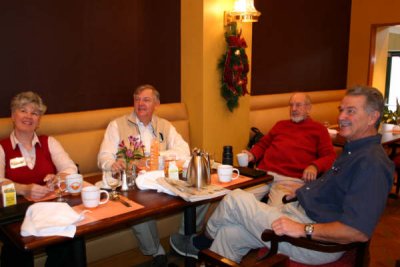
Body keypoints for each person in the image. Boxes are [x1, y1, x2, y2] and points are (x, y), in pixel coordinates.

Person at [170, 86, 394, 265]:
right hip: (295, 207)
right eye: (341, 109)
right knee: (229, 234)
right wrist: (304, 191)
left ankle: (200, 241)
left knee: (234, 199)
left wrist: (302, 229)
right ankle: (207, 246)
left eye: (351, 111)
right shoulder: (353, 150)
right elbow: (334, 189)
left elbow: (357, 232)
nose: (342, 116)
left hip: (313, 240)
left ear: (373, 116)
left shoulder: (372, 162)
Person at [98, 84, 190, 267]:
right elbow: (104, 157)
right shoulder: (117, 125)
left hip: (163, 180)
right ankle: (156, 252)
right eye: (137, 99)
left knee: (199, 191)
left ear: (157, 104)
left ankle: (182, 238)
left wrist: (157, 157)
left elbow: (184, 150)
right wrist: (112, 163)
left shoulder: (165, 125)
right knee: (138, 208)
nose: (140, 103)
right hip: (133, 184)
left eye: (146, 100)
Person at [0, 91, 82, 267]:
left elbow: (70, 168)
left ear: (39, 120)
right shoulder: (2, 147)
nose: (29, 116)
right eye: (23, 110)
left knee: (72, 236)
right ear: (13, 115)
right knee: (19, 242)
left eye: (35, 113)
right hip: (16, 210)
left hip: (49, 207)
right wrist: (23, 189)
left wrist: (57, 178)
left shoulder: (49, 142)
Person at [244, 92, 337, 206]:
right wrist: (252, 155)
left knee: (275, 213)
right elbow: (263, 144)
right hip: (264, 175)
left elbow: (330, 157)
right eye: (291, 105)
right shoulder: (280, 125)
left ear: (308, 108)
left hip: (290, 180)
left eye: (298, 105)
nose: (293, 109)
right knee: (238, 200)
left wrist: (315, 166)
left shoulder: (319, 130)